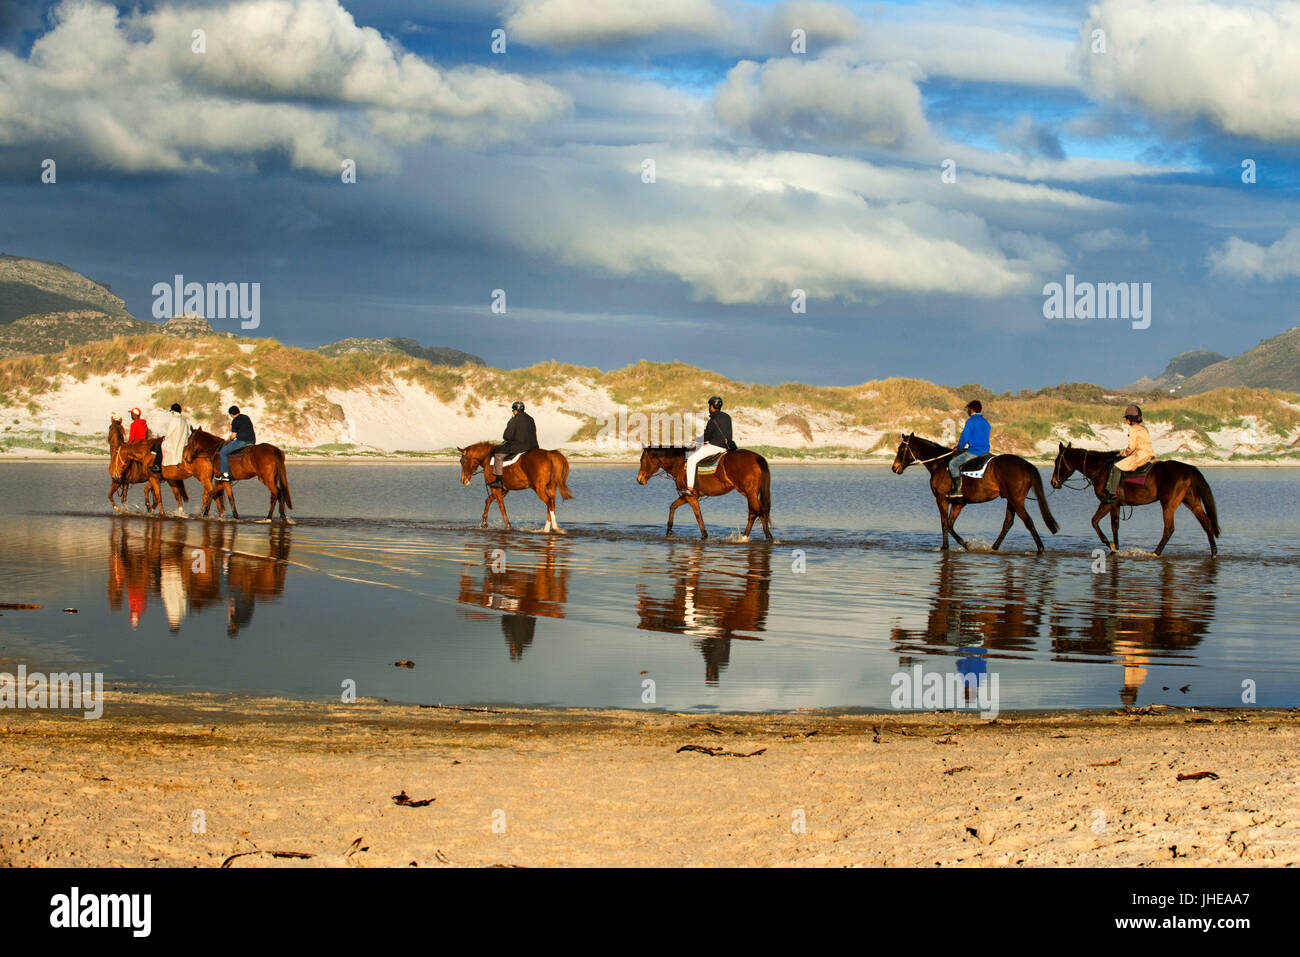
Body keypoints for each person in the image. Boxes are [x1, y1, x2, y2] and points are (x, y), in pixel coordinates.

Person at [682, 396, 734, 495]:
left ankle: (690, 488)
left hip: (715, 447)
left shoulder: (712, 420)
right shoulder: (727, 417)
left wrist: (696, 440)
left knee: (691, 460)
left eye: (709, 406)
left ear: (711, 407)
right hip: (727, 448)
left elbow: (707, 435)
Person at [1104, 404, 1154, 503]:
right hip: (1149, 454)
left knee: (1116, 467)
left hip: (1139, 456)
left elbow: (1131, 448)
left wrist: (1123, 453)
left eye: (1127, 418)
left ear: (1130, 419)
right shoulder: (1144, 428)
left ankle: (1112, 493)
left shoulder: (1133, 429)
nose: (1127, 421)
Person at [947, 399, 991, 499]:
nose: (967, 411)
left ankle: (957, 490)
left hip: (974, 452)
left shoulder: (971, 421)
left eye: (968, 409)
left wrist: (958, 447)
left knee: (953, 464)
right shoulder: (985, 422)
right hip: (986, 452)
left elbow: (964, 438)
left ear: (971, 409)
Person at [489, 401, 538, 490]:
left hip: (519, 446)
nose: (513, 412)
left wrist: (509, 440)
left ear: (515, 410)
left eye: (513, 410)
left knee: (498, 455)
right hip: (533, 446)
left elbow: (507, 436)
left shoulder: (514, 419)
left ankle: (499, 480)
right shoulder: (531, 419)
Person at [215, 405, 255, 483]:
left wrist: (228, 440)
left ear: (231, 414)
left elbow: (233, 436)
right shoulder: (246, 417)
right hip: (252, 440)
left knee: (223, 452)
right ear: (238, 411)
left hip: (242, 441)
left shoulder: (235, 421)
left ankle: (225, 474)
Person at [160, 402, 191, 475]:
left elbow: (169, 432)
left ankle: (157, 466)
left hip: (173, 442)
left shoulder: (174, 419)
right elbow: (188, 433)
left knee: (160, 446)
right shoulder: (184, 420)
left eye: (172, 412)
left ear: (173, 411)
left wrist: (165, 438)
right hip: (183, 443)